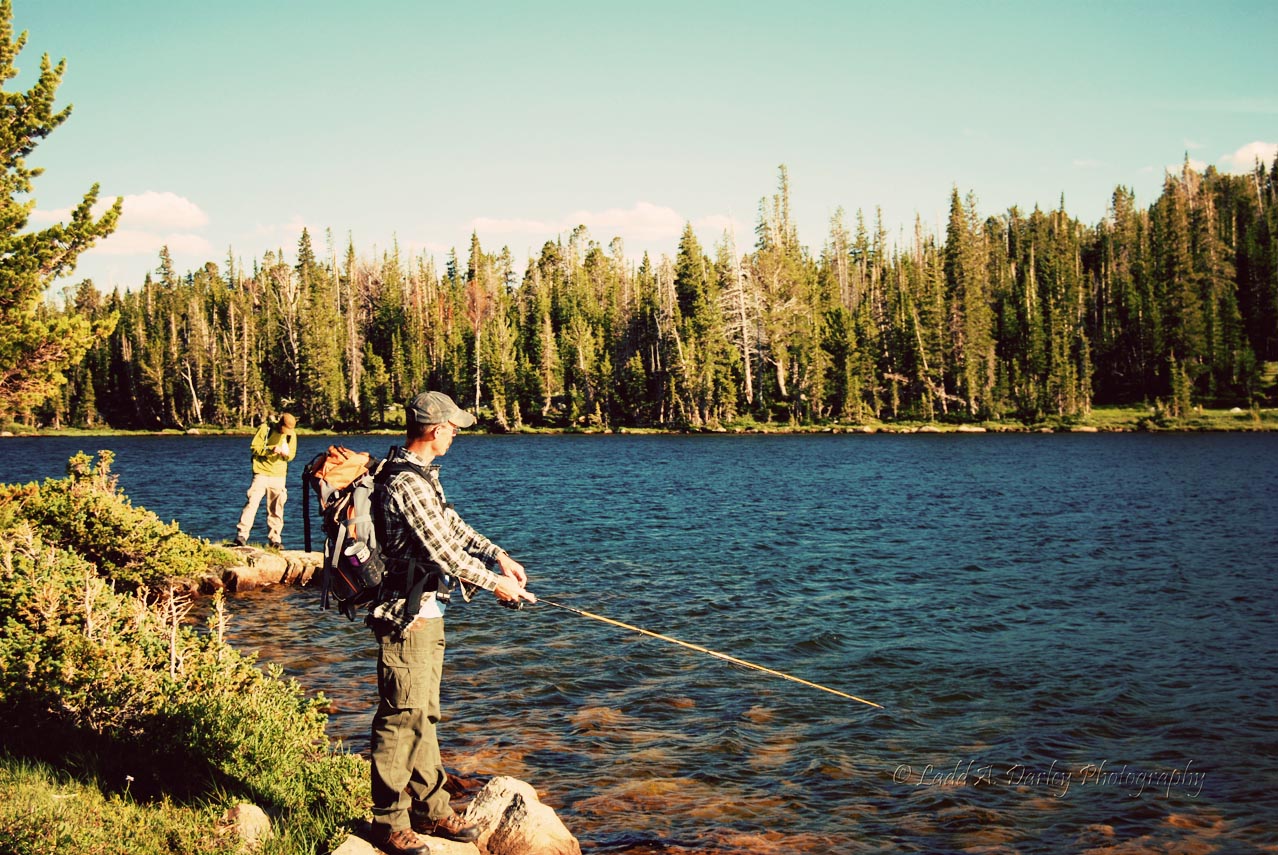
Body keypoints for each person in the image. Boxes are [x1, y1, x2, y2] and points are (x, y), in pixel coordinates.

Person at [367, 390, 536, 855]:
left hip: (428, 610)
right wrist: (496, 585)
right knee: (401, 716)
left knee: (425, 713)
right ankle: (388, 822)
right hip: (405, 617)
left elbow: (453, 527)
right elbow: (444, 553)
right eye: (454, 427)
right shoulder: (406, 482)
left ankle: (433, 809)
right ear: (436, 430)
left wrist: (499, 556)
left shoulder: (423, 476)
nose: (457, 433)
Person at [234, 413, 297, 549]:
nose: (284, 432)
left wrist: (285, 454)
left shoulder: (291, 435)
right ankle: (242, 535)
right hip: (261, 473)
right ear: (279, 424)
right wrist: (270, 450)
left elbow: (291, 455)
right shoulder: (265, 429)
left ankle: (275, 540)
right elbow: (254, 448)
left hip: (279, 476)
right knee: (252, 503)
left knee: (276, 509)